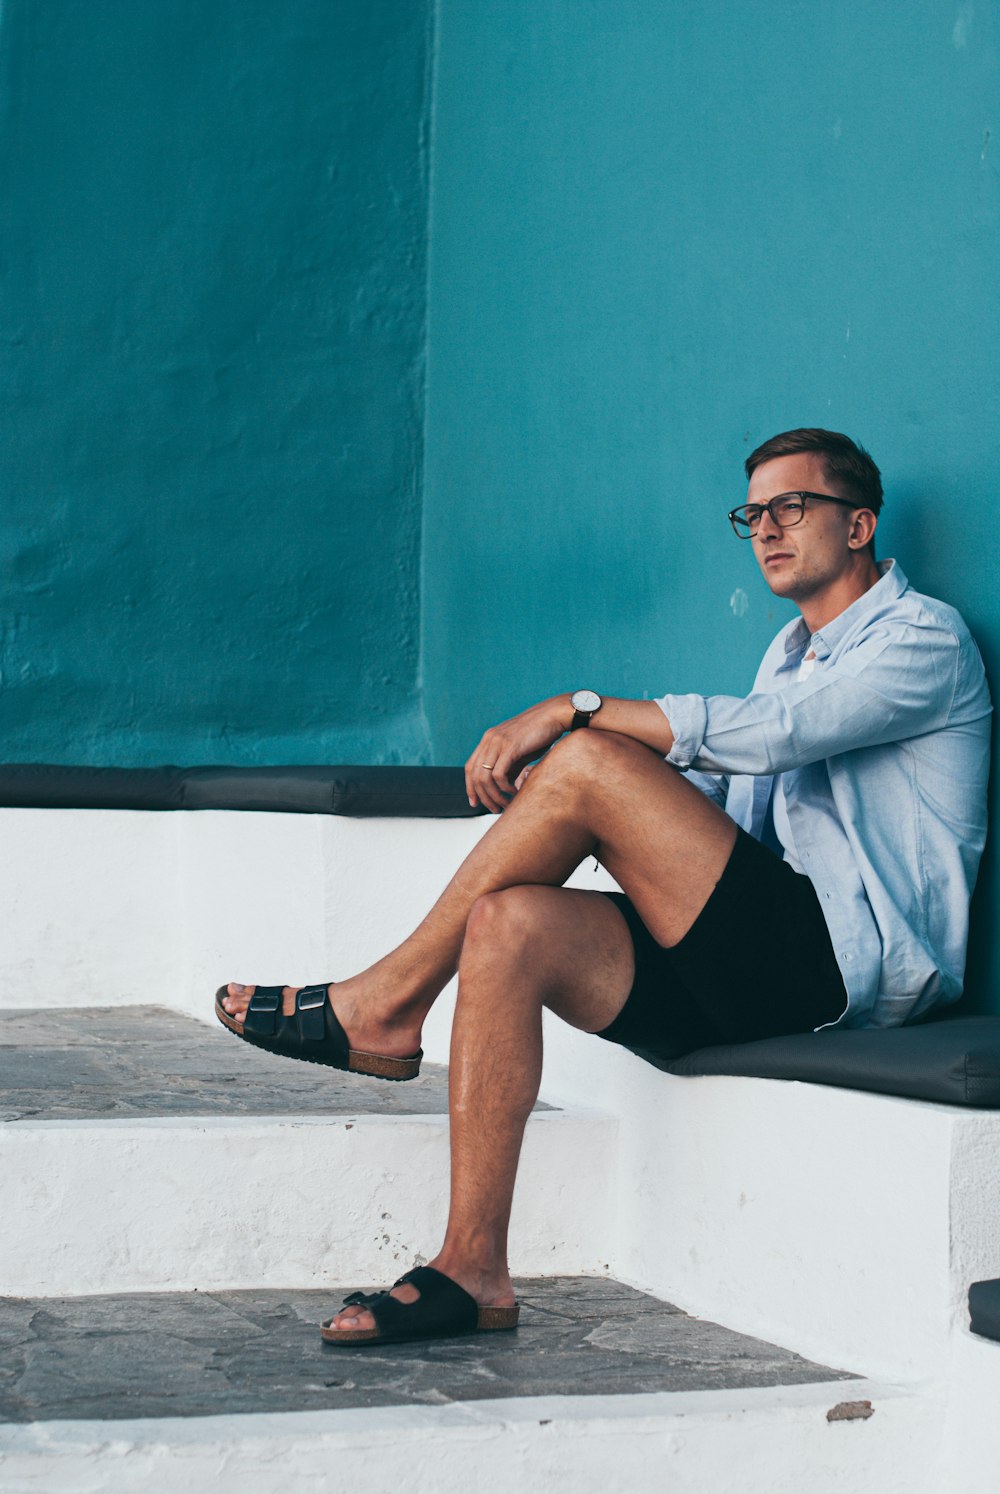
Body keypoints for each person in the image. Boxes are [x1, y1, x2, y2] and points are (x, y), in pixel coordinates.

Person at [216, 427, 991, 1348]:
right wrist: (592, 802)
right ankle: (473, 1267)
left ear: (859, 524)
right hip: (757, 965)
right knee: (512, 924)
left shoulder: (923, 639)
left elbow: (783, 733)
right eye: (754, 514)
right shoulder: (789, 654)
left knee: (589, 755)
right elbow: (732, 806)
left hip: (846, 977)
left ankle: (383, 1003)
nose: (768, 529)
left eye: (795, 507)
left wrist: (573, 718)